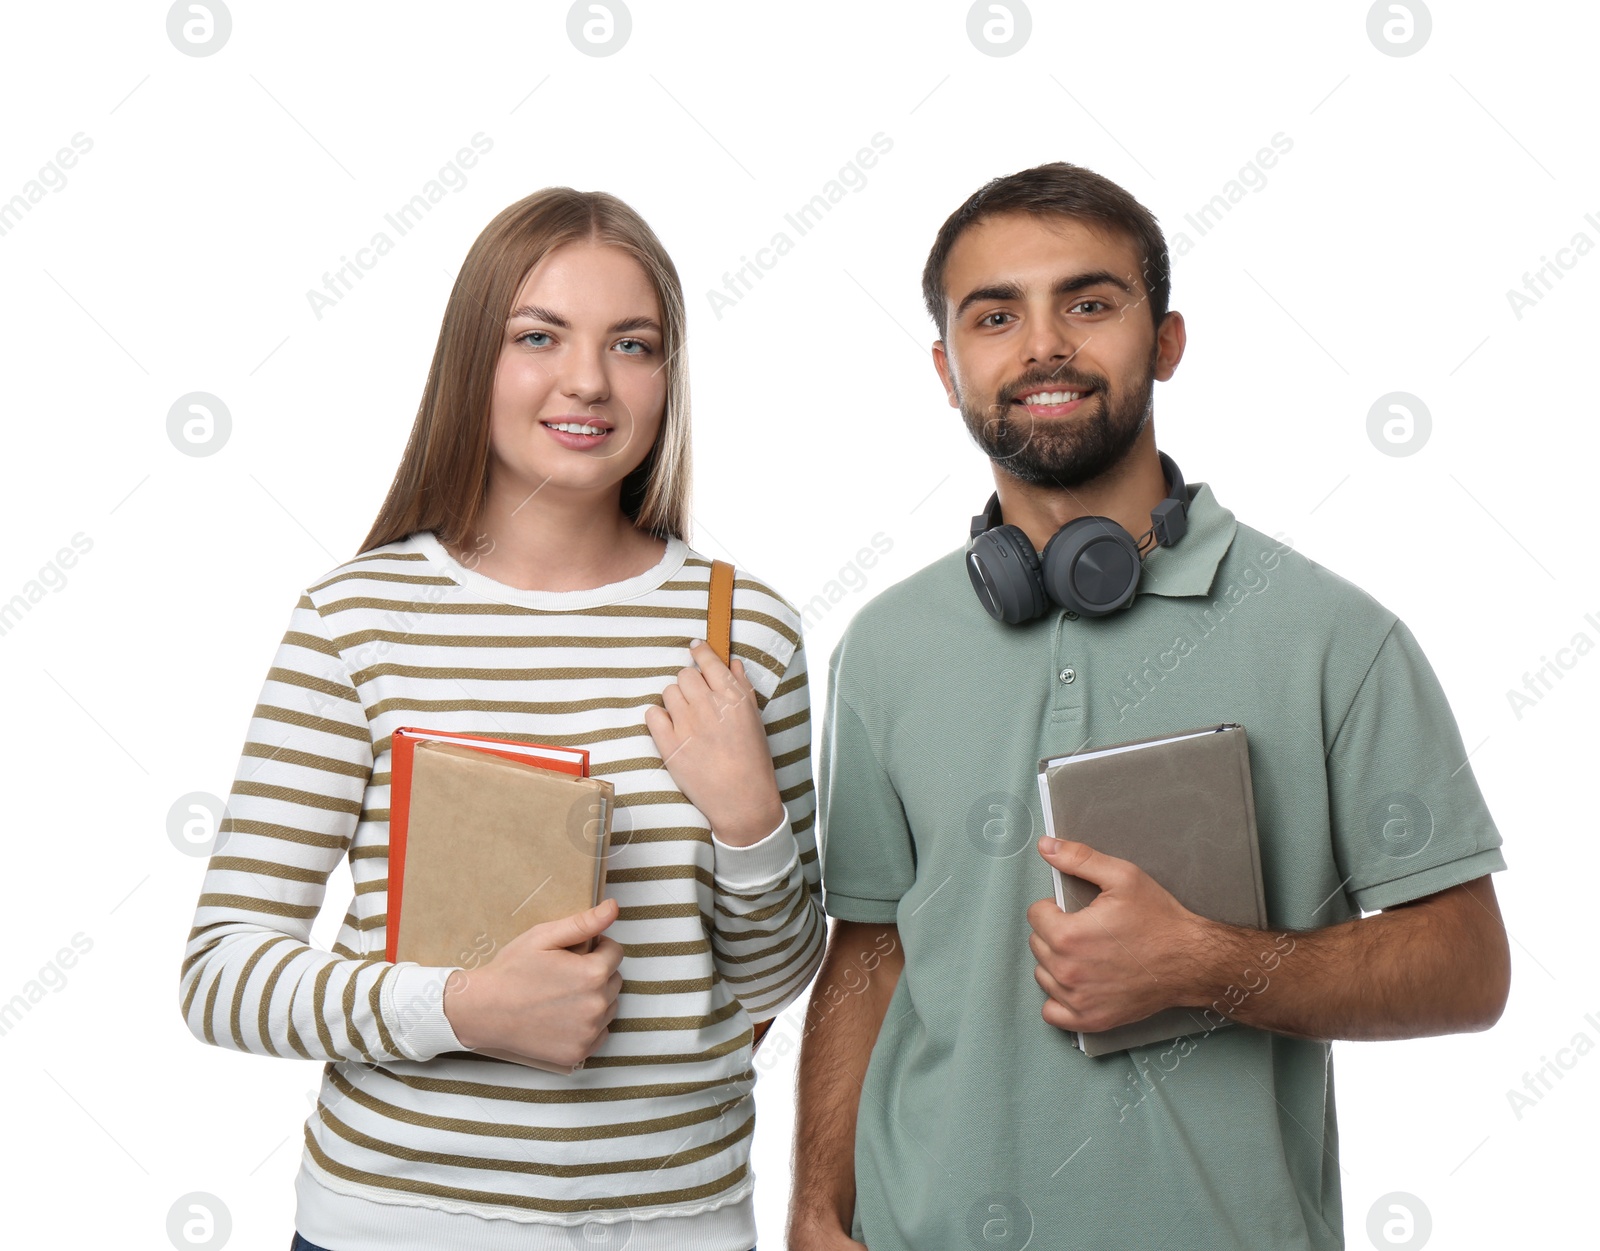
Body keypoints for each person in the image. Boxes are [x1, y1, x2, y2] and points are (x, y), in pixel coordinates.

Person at [787, 162, 1511, 1251]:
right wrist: (812, 1207)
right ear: (946, 368)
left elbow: (1467, 966)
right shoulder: (884, 647)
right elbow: (872, 950)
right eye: (995, 315)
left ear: (1166, 341)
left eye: (1088, 303)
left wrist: (1208, 966)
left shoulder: (1332, 636)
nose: (1042, 347)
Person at [178, 187, 823, 1251]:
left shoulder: (743, 628)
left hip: (678, 1226)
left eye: (634, 344)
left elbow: (769, 979)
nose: (588, 380)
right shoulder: (355, 619)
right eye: (539, 336)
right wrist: (463, 1009)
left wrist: (751, 822)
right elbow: (223, 973)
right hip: (394, 1227)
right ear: (473, 358)